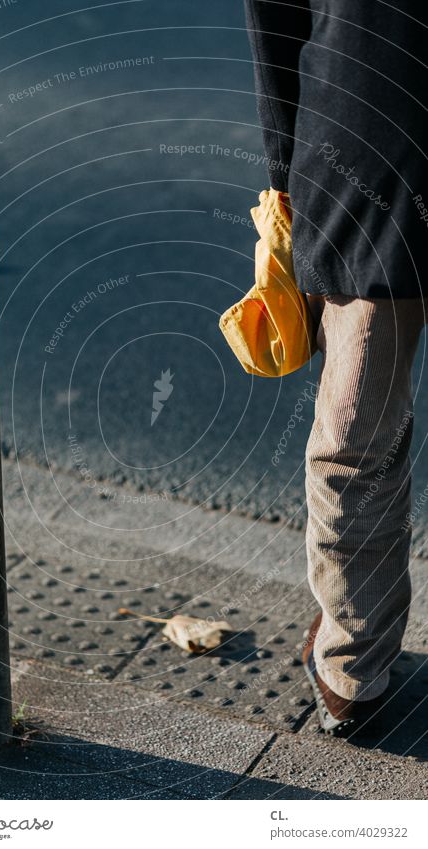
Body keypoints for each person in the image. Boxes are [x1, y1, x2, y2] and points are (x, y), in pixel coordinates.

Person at [245, 0, 428, 734]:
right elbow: (276, 15)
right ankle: (352, 661)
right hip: (369, 137)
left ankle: (351, 662)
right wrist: (287, 168)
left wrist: (288, 165)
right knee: (356, 428)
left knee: (356, 431)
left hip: (366, 126)